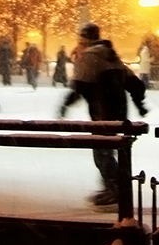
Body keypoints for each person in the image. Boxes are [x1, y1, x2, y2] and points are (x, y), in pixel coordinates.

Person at [58, 23, 147, 207]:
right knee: (108, 149)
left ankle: (116, 189)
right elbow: (135, 83)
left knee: (102, 152)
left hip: (102, 111)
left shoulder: (91, 56)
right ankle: (112, 187)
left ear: (85, 39)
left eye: (81, 39)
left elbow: (80, 85)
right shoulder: (110, 54)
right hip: (118, 109)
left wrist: (65, 105)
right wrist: (140, 103)